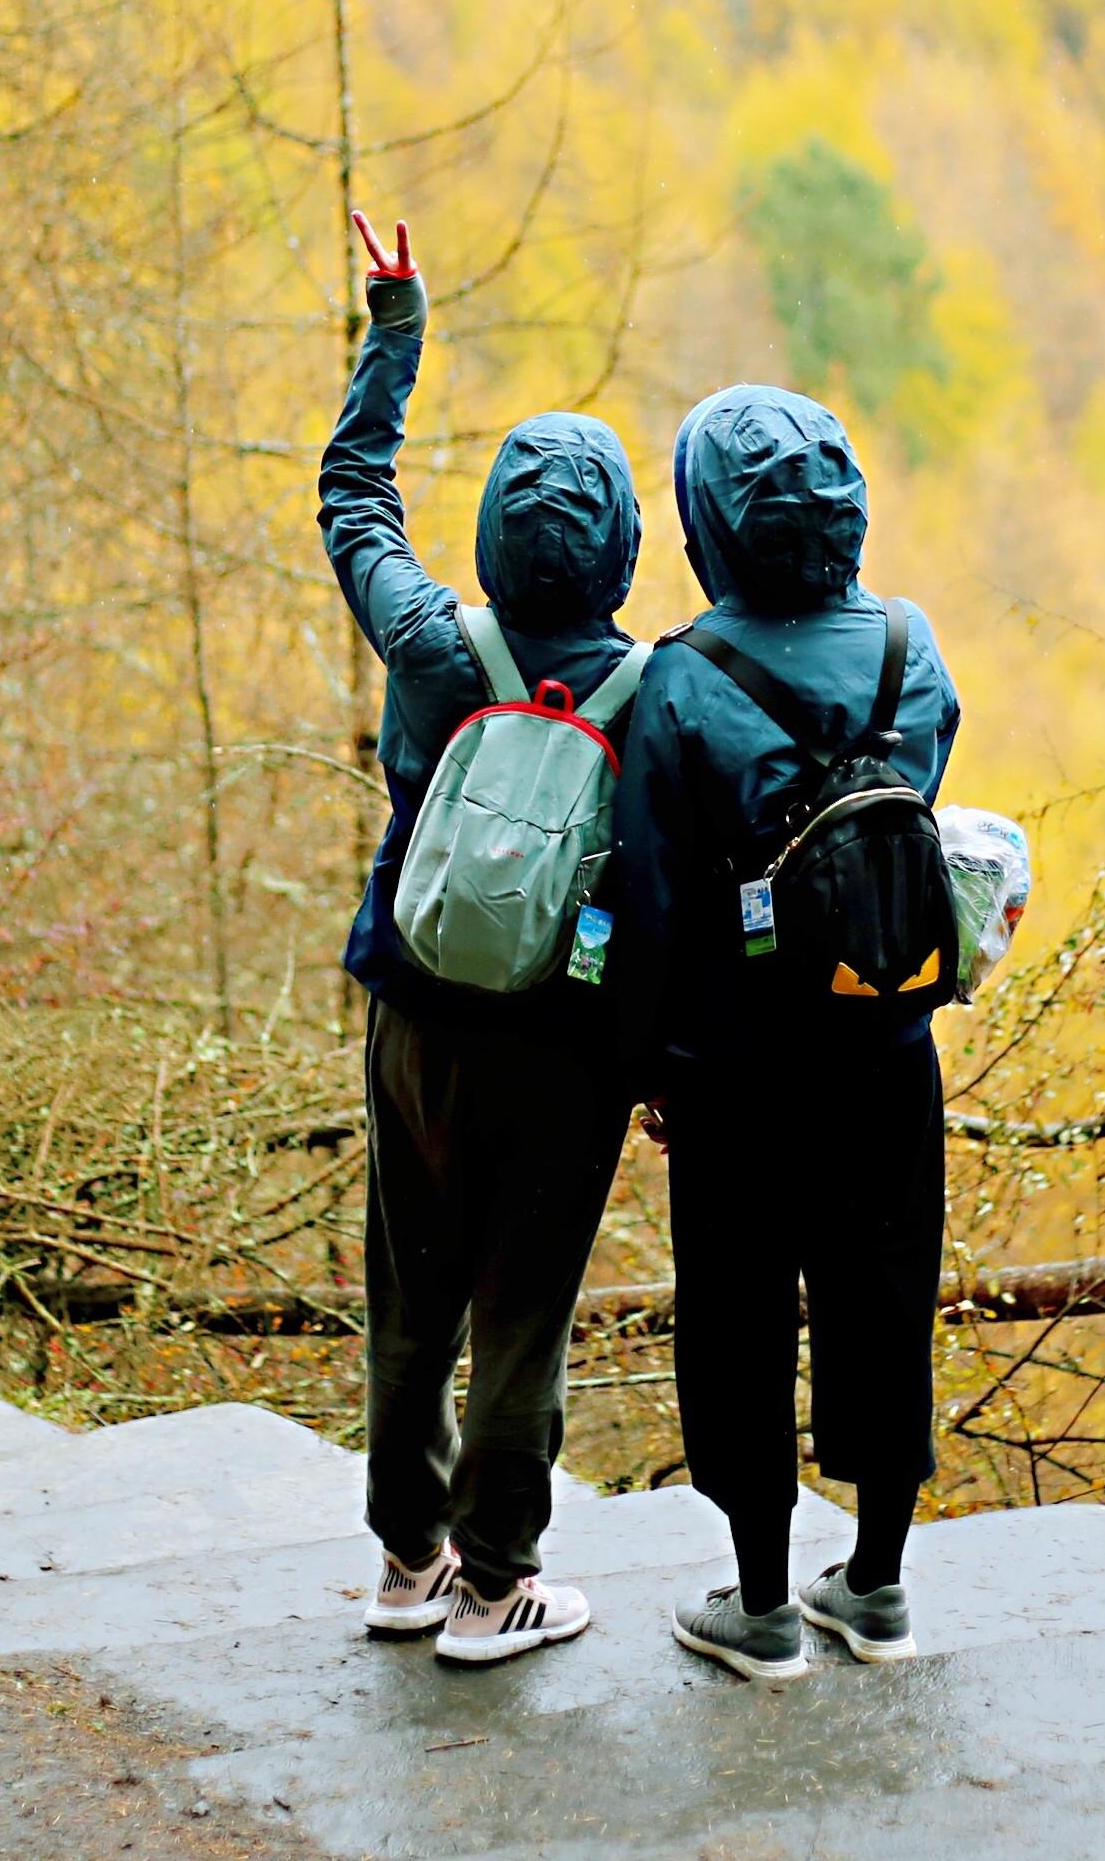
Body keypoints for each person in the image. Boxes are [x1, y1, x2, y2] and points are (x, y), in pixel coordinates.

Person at [320, 211, 637, 1666]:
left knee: (412, 1293)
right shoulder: (661, 690)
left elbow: (355, 504)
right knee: (522, 1316)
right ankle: (498, 1582)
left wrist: (397, 334)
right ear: (626, 547)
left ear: (498, 539)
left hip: (419, 1020)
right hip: (564, 1046)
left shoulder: (433, 642)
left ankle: (405, 1560)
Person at [610, 384, 962, 1682]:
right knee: (884, 1304)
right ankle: (875, 1588)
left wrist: (642, 1069)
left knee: (741, 1322)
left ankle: (760, 1605)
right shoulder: (910, 646)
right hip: (886, 1047)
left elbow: (642, 895)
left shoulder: (679, 680)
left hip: (734, 1074)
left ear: (709, 525)